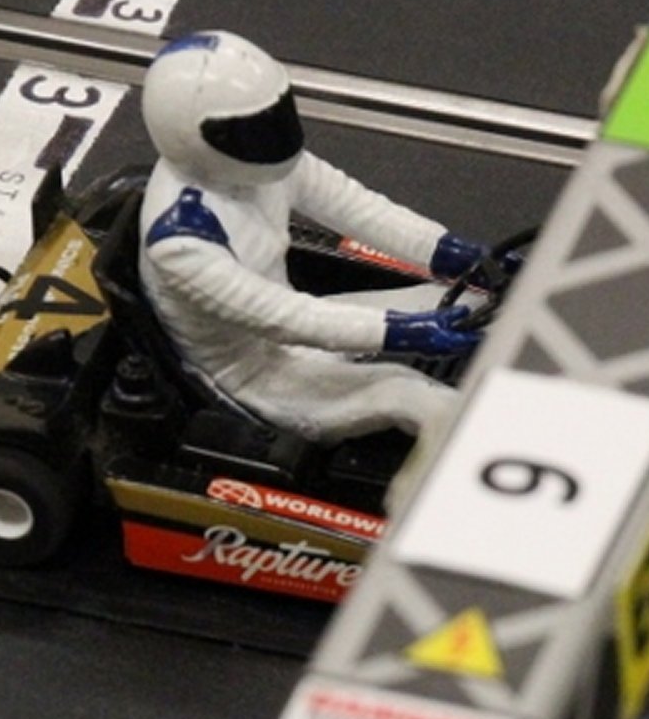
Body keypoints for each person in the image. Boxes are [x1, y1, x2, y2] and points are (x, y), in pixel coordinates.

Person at [137, 31, 501, 447]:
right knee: (415, 397)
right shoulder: (182, 242)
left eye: (276, 117)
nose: (273, 135)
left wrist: (453, 254)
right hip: (255, 378)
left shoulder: (255, 165)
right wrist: (403, 332)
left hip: (298, 335)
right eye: (254, 128)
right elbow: (283, 316)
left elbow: (356, 208)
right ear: (199, 139)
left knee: (478, 304)